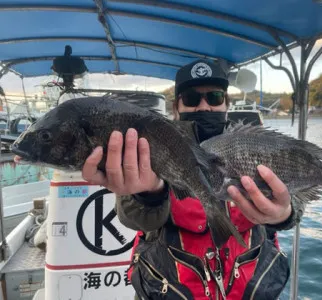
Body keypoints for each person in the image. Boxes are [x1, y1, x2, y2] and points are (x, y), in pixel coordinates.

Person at [82, 59, 303, 299]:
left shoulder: (254, 146)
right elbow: (134, 220)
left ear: (226, 104)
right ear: (176, 106)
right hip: (172, 288)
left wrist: (285, 213)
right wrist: (147, 195)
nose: (204, 107)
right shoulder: (152, 144)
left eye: (215, 97)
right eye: (191, 99)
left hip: (250, 287)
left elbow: (296, 197)